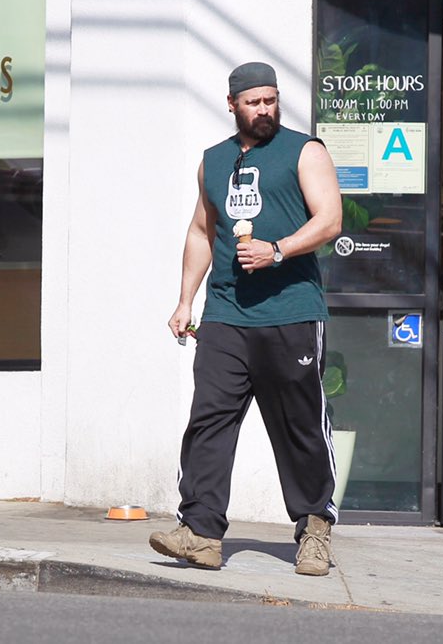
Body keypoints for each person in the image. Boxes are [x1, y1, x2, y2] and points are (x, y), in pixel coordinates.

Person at [148, 61, 343, 576]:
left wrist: (278, 250)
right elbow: (200, 231)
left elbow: (330, 220)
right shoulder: (213, 161)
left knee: (299, 426)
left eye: (271, 100)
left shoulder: (305, 151)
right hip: (226, 314)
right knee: (208, 422)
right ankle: (200, 532)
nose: (264, 110)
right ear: (232, 104)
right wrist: (185, 301)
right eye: (254, 102)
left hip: (291, 311)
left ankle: (314, 530)